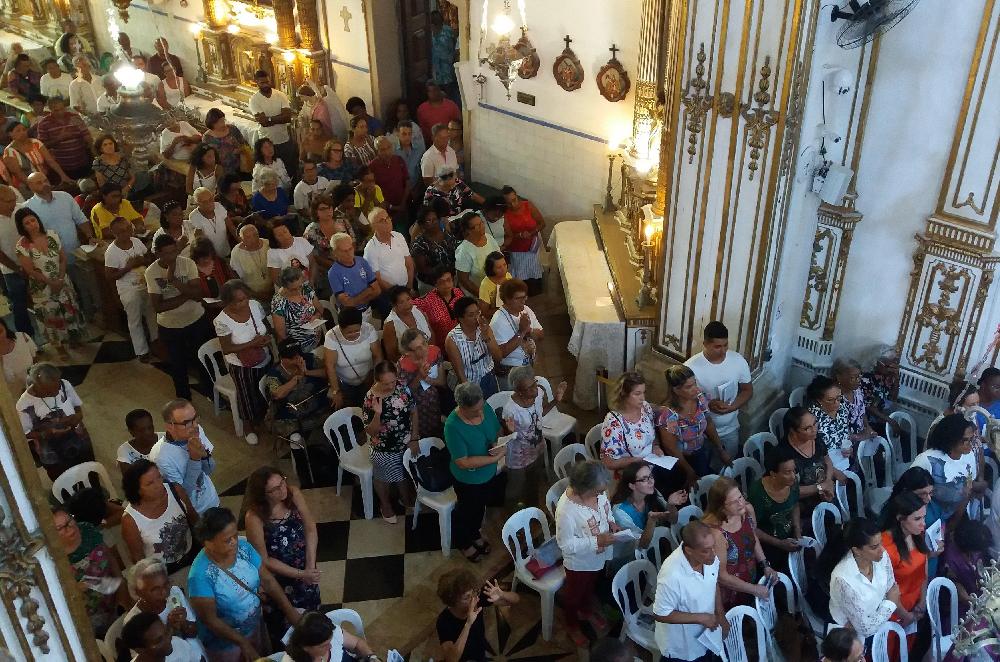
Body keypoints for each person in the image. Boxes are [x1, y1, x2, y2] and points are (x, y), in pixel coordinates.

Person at [188, 507, 302, 661]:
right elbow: (211, 620)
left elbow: (267, 580)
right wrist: (242, 642)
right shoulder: (200, 576)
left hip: (254, 626)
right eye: (227, 540)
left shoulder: (244, 549)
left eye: (235, 535)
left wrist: (289, 610)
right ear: (208, 543)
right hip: (226, 643)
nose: (235, 542)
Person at [243, 467, 321, 640]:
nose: (283, 489)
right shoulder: (254, 517)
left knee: (312, 620)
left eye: (282, 482)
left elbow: (310, 527)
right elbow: (264, 560)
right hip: (279, 578)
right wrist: (301, 574)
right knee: (287, 627)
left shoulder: (293, 493)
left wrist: (309, 566)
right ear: (263, 494)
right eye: (275, 489)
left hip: (305, 564)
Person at [554, 460, 616, 646]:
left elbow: (606, 509)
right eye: (597, 491)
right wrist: (596, 540)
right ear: (583, 488)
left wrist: (611, 522)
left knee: (590, 586)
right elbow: (565, 544)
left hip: (599, 555)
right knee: (573, 595)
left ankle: (586, 609)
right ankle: (571, 624)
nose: (601, 494)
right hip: (579, 563)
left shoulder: (599, 491)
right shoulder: (566, 510)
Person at [146, 234, 214, 399]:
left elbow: (198, 295)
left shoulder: (187, 263)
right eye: (167, 253)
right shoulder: (151, 272)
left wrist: (174, 281)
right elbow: (159, 307)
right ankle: (184, 399)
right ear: (158, 254)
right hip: (170, 326)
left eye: (174, 252)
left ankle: (212, 394)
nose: (172, 257)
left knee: (203, 360)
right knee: (178, 365)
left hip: (196, 319)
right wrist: (186, 294)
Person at [445, 382, 504, 562]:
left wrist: (497, 443)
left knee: (480, 506)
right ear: (462, 407)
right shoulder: (453, 426)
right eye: (474, 411)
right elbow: (462, 462)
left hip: (487, 474)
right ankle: (463, 542)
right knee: (466, 510)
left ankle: (475, 532)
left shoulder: (484, 406)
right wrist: (494, 459)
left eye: (481, 407)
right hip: (468, 479)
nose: (480, 413)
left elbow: (496, 431)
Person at [653, 521, 728, 662]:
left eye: (713, 547)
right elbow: (660, 614)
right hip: (682, 647)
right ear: (689, 550)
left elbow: (712, 583)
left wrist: (721, 614)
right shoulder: (671, 575)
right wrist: (702, 617)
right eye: (706, 550)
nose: (713, 554)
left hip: (706, 636)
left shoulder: (709, 558)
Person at [702, 476, 777, 610]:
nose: (741, 503)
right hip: (731, 591)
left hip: (749, 577)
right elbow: (722, 576)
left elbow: (752, 537)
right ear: (721, 508)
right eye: (734, 502)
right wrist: (754, 589)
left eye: (740, 497)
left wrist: (765, 565)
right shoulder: (716, 534)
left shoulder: (744, 511)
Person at [53, 506, 128, 638]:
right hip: (88, 617)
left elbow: (110, 558)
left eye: (70, 521)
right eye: (60, 528)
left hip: (116, 597)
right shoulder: (53, 558)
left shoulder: (87, 530)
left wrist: (121, 585)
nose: (69, 528)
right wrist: (82, 586)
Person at [14, 207, 82, 353]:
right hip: (42, 287)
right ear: (22, 226)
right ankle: (60, 348)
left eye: (33, 220)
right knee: (51, 316)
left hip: (62, 279)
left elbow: (62, 258)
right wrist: (51, 283)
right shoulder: (21, 246)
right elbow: (30, 270)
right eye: (27, 223)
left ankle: (74, 338)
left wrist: (60, 278)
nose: (32, 224)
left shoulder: (52, 235)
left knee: (69, 310)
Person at [600, 371, 681, 493]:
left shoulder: (645, 408)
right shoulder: (614, 423)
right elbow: (608, 462)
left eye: (643, 393)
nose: (642, 398)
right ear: (624, 394)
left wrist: (656, 446)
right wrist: (637, 461)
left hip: (651, 463)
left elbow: (652, 433)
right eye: (637, 394)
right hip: (632, 474)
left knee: (676, 475)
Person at [683, 321, 753, 461]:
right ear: (705, 344)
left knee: (728, 468)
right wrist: (708, 404)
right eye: (717, 347)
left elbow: (747, 390)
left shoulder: (738, 361)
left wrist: (732, 407)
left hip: (730, 428)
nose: (723, 351)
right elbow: (684, 401)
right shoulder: (690, 367)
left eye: (725, 345)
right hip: (701, 432)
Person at [215, 279, 271, 445]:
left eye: (245, 298)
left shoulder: (254, 305)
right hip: (241, 366)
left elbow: (265, 325)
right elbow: (226, 348)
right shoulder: (222, 321)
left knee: (266, 389)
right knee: (247, 395)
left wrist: (266, 338)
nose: (244, 302)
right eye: (239, 301)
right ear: (228, 302)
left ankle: (265, 416)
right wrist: (252, 344)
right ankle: (248, 425)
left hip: (263, 356)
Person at [825, 517, 901, 640]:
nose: (882, 549)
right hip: (848, 636)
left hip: (878, 621)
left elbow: (892, 587)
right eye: (874, 547)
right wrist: (891, 603)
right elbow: (865, 629)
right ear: (857, 550)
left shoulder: (882, 557)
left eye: (881, 543)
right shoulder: (843, 579)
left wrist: (886, 605)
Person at [362, 361, 418, 523]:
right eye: (385, 383)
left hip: (405, 441)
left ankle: (405, 497)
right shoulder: (370, 398)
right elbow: (371, 432)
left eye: (393, 381)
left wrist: (414, 437)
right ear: (377, 380)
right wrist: (377, 414)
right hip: (383, 446)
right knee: (382, 477)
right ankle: (385, 504)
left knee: (404, 473)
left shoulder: (402, 387)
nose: (390, 386)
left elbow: (414, 412)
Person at [16, 362, 94, 479]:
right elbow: (26, 433)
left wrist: (78, 416)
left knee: (89, 470)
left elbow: (77, 406)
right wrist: (48, 433)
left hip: (79, 439)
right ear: (36, 386)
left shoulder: (64, 384)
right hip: (52, 451)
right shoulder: (24, 405)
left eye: (57, 388)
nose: (56, 393)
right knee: (64, 478)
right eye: (50, 392)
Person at [120, 458, 198, 572]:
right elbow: (138, 558)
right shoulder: (130, 520)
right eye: (150, 483)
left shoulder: (176, 491)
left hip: (192, 553)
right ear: (137, 490)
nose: (159, 485)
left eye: (159, 477)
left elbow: (194, 519)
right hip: (162, 570)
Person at [658, 365, 732, 482]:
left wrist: (720, 450)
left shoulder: (700, 399)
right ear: (676, 390)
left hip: (699, 450)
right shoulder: (668, 414)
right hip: (680, 460)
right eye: (689, 387)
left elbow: (709, 423)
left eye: (695, 383)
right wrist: (689, 472)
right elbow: (671, 448)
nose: (696, 389)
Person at [879, 491, 929, 658]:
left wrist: (922, 602)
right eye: (917, 519)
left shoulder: (917, 533)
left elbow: (924, 570)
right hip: (895, 613)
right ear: (900, 518)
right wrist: (906, 615)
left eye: (924, 517)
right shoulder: (885, 548)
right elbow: (885, 590)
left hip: (915, 607)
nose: (923, 524)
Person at [151, 399, 219, 514]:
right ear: (170, 426)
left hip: (212, 500)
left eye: (195, 418)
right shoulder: (161, 457)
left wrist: (205, 456)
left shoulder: (196, 430)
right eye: (187, 422)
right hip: (194, 512)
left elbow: (209, 470)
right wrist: (195, 459)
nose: (195, 425)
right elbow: (183, 494)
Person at [609, 460, 685, 564]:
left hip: (652, 549)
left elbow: (673, 520)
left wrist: (671, 505)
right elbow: (642, 545)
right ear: (632, 485)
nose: (651, 482)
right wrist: (651, 520)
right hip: (628, 559)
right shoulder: (620, 512)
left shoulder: (652, 492)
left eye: (651, 476)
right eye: (644, 479)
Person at [436, 568, 518, 662]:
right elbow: (452, 659)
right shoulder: (444, 621)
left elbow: (516, 599)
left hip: (479, 653)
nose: (474, 599)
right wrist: (468, 623)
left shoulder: (478, 599)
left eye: (474, 592)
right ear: (453, 602)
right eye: (467, 597)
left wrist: (502, 594)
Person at [911, 413, 982, 521]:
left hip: (955, 515)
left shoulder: (969, 456)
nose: (971, 444)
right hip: (925, 517)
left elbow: (967, 490)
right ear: (951, 439)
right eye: (966, 440)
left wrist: (953, 526)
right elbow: (909, 495)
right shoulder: (927, 461)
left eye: (972, 438)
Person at [104, 216, 157, 361]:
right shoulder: (111, 252)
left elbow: (147, 259)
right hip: (129, 289)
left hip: (145, 284)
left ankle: (156, 342)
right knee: (135, 320)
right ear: (114, 233)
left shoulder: (137, 241)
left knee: (152, 313)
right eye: (122, 231)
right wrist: (128, 267)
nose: (127, 232)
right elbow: (109, 277)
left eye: (129, 228)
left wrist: (143, 261)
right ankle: (142, 351)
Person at [124, 557, 203, 653]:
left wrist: (184, 623)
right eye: (155, 589)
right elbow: (146, 657)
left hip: (196, 654)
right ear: (139, 593)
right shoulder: (134, 620)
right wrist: (169, 628)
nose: (164, 592)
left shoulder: (174, 592)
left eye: (166, 584)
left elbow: (195, 631)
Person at [780, 406, 844, 512]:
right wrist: (820, 488)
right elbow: (789, 491)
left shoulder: (815, 438)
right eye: (807, 428)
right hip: (802, 505)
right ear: (793, 431)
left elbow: (827, 460)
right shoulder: (784, 456)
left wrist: (828, 480)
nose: (814, 429)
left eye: (815, 423)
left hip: (825, 489)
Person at [748, 444, 801, 570]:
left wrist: (797, 530)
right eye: (787, 472)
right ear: (773, 474)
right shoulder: (758, 494)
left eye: (794, 470)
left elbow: (795, 505)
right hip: (768, 545)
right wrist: (780, 544)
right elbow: (752, 529)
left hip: (789, 537)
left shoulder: (792, 483)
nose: (793, 476)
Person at [264, 339, 330, 439]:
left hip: (318, 405)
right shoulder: (274, 374)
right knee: (295, 436)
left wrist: (307, 372)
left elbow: (328, 373)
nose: (297, 359)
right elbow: (277, 394)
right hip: (292, 415)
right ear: (282, 358)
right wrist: (296, 378)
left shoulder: (309, 358)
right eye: (292, 358)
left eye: (298, 355)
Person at [445, 296, 504, 398]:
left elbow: (498, 357)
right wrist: (469, 394)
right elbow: (460, 374)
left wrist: (487, 338)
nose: (477, 317)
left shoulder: (485, 328)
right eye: (471, 315)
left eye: (478, 312)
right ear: (460, 319)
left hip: (489, 377)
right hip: (470, 383)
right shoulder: (452, 339)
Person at [323, 307, 382, 408]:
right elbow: (330, 366)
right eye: (349, 332)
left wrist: (376, 380)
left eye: (357, 330)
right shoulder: (331, 337)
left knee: (369, 408)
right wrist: (336, 391)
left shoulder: (369, 330)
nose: (353, 334)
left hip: (368, 379)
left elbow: (378, 356)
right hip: (345, 384)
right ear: (340, 328)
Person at [397, 327, 447, 439]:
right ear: (409, 352)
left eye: (424, 343)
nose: (424, 348)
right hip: (416, 407)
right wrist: (419, 376)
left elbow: (442, 382)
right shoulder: (403, 364)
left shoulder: (434, 352)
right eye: (418, 348)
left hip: (434, 400)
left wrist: (427, 379)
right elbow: (405, 394)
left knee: (437, 432)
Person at [490, 279, 543, 377]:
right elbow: (501, 354)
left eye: (524, 297)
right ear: (507, 299)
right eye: (518, 298)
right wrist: (521, 331)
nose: (523, 301)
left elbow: (541, 335)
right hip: (510, 369)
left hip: (528, 362)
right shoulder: (498, 320)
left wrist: (529, 331)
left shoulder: (526, 310)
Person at [943, 518, 993, 618]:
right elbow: (961, 593)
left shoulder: (975, 545)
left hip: (980, 596)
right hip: (961, 610)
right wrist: (980, 604)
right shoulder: (950, 559)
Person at [3, 120, 72, 192]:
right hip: (27, 187)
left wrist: (63, 176)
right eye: (18, 131)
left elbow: (50, 161)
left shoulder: (35, 142)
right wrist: (34, 186)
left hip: (44, 181)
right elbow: (18, 174)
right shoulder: (9, 152)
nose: (22, 132)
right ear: (10, 134)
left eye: (24, 129)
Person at [283, 610, 379, 662]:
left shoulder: (329, 632)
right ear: (305, 647)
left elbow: (357, 643)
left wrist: (372, 657)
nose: (330, 647)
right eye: (323, 645)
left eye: (329, 641)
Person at [35, 94, 93, 180]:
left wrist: (91, 148)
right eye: (56, 110)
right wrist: (59, 138)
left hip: (82, 162)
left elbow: (87, 136)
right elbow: (42, 146)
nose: (60, 112)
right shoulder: (44, 124)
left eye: (62, 109)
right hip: (63, 167)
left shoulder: (74, 117)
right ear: (50, 109)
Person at [832, 357, 884, 451]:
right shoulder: (834, 399)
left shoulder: (857, 391)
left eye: (859, 376)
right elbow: (837, 430)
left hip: (860, 438)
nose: (858, 380)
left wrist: (868, 428)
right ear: (838, 377)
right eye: (853, 377)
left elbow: (861, 412)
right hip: (843, 445)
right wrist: (858, 437)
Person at [499, 186, 544, 293]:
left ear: (517, 196)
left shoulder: (528, 205)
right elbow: (507, 236)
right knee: (520, 279)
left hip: (533, 247)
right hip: (517, 251)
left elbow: (542, 223)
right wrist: (519, 235)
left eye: (514, 200)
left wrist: (531, 233)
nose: (513, 205)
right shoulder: (504, 214)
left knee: (534, 274)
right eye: (509, 203)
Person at [249, 70, 296, 169]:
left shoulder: (280, 95)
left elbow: (287, 117)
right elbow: (263, 122)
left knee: (289, 168)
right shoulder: (254, 99)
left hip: (284, 139)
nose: (266, 85)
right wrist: (279, 117)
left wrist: (269, 119)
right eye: (262, 83)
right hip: (267, 143)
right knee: (271, 171)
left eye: (267, 82)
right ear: (256, 82)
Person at [807, 375, 854, 473]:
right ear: (819, 400)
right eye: (830, 400)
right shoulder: (811, 419)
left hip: (844, 459)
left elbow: (845, 429)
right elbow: (810, 451)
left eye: (838, 398)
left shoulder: (842, 407)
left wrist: (849, 447)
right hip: (825, 466)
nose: (836, 403)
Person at [271, 266, 323, 354]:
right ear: (284, 287)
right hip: (297, 347)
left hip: (317, 339)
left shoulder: (306, 290)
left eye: (300, 286)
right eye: (293, 289)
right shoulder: (278, 302)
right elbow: (281, 334)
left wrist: (316, 316)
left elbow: (320, 309)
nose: (299, 291)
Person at [363, 207, 413, 297]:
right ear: (374, 226)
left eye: (387, 218)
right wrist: (398, 294)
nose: (387, 221)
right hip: (389, 294)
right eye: (382, 220)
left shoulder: (399, 236)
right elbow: (377, 279)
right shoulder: (370, 248)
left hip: (406, 289)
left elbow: (409, 264)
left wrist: (409, 288)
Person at [328, 232, 381, 315]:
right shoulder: (333, 273)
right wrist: (367, 291)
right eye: (344, 251)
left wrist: (355, 300)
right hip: (350, 315)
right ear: (335, 253)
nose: (349, 254)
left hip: (368, 310)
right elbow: (347, 304)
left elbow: (377, 290)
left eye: (350, 249)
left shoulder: (362, 261)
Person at [120, 608, 200, 662]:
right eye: (159, 641)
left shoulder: (177, 643)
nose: (168, 640)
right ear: (140, 650)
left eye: (166, 632)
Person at [412, 204, 458, 289]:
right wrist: (443, 276)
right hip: (432, 284)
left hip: (451, 279)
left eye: (435, 219)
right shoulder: (419, 244)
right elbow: (422, 269)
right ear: (422, 225)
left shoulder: (447, 234)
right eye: (429, 221)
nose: (434, 223)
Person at [416, 267, 463, 350]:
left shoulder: (458, 293)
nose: (446, 284)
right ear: (435, 284)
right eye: (442, 282)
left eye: (449, 280)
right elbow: (410, 304)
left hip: (462, 341)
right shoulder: (427, 301)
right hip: (442, 346)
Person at [454, 211, 499, 295]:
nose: (482, 226)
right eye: (477, 226)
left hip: (495, 287)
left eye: (482, 222)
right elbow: (464, 280)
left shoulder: (489, 238)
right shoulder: (463, 251)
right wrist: (483, 295)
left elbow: (500, 258)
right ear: (468, 231)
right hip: (477, 292)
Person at [370, 137, 410, 231]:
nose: (387, 152)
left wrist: (403, 203)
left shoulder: (399, 160)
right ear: (377, 151)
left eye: (388, 147)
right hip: (384, 212)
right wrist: (390, 206)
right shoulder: (372, 167)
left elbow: (407, 183)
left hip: (402, 208)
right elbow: (373, 191)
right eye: (383, 149)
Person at [383, 285, 432, 362]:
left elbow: (431, 334)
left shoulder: (418, 311)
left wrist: (430, 355)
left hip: (429, 357)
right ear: (394, 305)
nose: (407, 304)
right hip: (408, 366)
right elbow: (392, 355)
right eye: (401, 302)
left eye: (408, 299)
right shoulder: (390, 325)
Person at [189, 186, 236, 259]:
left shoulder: (219, 206)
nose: (209, 203)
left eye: (211, 199)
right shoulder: (194, 217)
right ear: (198, 204)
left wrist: (242, 242)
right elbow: (201, 242)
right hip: (211, 257)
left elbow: (231, 227)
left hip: (226, 250)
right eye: (205, 202)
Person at [202, 108, 250, 176]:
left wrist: (240, 149)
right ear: (212, 123)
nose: (222, 124)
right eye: (219, 122)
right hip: (221, 171)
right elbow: (207, 157)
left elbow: (244, 144)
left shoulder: (232, 129)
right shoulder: (207, 138)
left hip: (240, 166)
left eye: (223, 120)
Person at [267, 221, 314, 287]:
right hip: (288, 290)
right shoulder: (272, 252)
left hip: (308, 284)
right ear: (274, 238)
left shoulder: (302, 241)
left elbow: (313, 264)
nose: (284, 235)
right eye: (280, 235)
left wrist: (311, 282)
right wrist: (292, 290)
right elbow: (276, 278)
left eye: (285, 231)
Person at [417, 82, 461, 148]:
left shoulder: (451, 105)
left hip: (451, 145)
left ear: (440, 90)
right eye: (430, 91)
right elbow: (422, 130)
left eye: (435, 90)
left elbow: (458, 125)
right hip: (431, 145)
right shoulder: (422, 109)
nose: (433, 93)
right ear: (427, 93)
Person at [0, 318, 36, 394]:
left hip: (37, 385)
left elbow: (35, 357)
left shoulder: (22, 337)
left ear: (5, 328)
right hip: (18, 395)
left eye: (0, 331)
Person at [117, 408, 158, 472]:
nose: (148, 432)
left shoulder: (166, 439)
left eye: (150, 427)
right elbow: (129, 479)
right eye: (141, 430)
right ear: (131, 432)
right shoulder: (125, 450)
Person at [478, 251, 511, 317]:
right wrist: (505, 308)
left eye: (504, 265)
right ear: (491, 269)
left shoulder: (508, 275)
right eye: (499, 267)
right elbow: (485, 312)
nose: (503, 269)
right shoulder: (485, 285)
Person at [394, 120, 424, 192]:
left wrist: (416, 190)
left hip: (416, 189)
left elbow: (422, 173)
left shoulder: (419, 150)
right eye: (404, 134)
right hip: (399, 190)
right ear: (398, 134)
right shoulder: (394, 152)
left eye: (409, 134)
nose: (407, 137)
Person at [353, 168, 384, 234]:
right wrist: (368, 198)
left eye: (373, 180)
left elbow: (383, 210)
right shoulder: (354, 193)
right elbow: (360, 217)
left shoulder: (376, 188)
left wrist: (374, 198)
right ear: (360, 181)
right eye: (369, 181)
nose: (372, 183)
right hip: (365, 228)